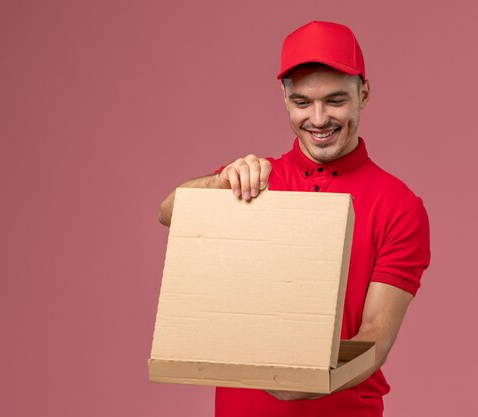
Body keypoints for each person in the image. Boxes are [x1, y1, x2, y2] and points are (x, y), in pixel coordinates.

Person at [158, 20, 430, 417]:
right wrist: (218, 183)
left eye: (335, 100)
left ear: (364, 94)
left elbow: (375, 336)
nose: (318, 119)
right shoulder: (254, 180)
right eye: (302, 103)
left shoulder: (400, 206)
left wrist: (308, 381)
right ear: (285, 99)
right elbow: (168, 211)